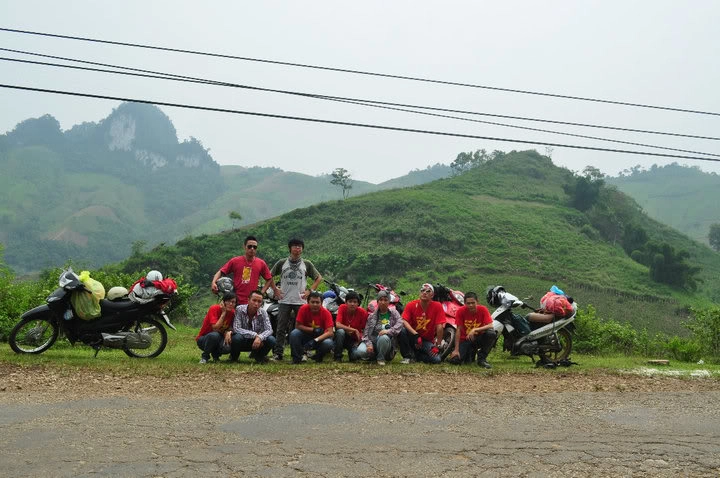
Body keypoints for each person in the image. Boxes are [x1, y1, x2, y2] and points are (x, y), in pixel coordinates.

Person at [263, 238, 322, 361]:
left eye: (300, 246)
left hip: (300, 301)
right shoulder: (282, 263)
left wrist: (309, 291)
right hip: (284, 300)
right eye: (295, 246)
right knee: (280, 328)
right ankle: (278, 354)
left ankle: (302, 353)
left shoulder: (307, 264)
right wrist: (275, 290)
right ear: (290, 248)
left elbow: (318, 278)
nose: (297, 248)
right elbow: (269, 276)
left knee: (302, 328)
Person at [211, 235, 280, 305]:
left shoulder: (261, 263)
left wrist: (261, 293)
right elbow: (221, 271)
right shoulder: (235, 261)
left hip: (251, 303)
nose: (252, 249)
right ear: (244, 247)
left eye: (255, 247)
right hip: (235, 301)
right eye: (249, 246)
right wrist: (213, 282)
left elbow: (269, 278)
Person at [447, 292, 497, 368]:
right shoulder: (460, 311)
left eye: (473, 303)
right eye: (468, 303)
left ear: (477, 302)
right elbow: (458, 330)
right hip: (465, 339)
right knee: (456, 361)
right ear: (464, 303)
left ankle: (482, 359)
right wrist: (456, 350)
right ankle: (470, 352)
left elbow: (490, 325)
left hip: (479, 338)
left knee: (491, 334)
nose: (471, 305)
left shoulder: (483, 309)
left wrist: (475, 330)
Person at [398, 283, 445, 364]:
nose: (424, 293)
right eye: (422, 290)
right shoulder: (411, 305)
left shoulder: (437, 306)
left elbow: (440, 326)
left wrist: (437, 346)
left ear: (432, 295)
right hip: (412, 336)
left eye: (428, 291)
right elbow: (403, 320)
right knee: (402, 331)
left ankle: (416, 356)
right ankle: (407, 356)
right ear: (420, 293)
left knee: (436, 360)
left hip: (426, 341)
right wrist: (416, 335)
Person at [226, 290, 276, 363]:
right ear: (248, 300)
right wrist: (255, 335)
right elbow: (237, 328)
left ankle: (259, 357)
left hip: (257, 342)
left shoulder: (263, 312)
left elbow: (269, 330)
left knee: (271, 339)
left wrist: (260, 337)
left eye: (259, 302)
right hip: (243, 340)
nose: (256, 304)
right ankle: (234, 357)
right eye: (254, 300)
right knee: (237, 338)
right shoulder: (239, 309)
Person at [356, 290, 404, 365]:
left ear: (389, 302)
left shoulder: (394, 313)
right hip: (373, 341)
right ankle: (373, 355)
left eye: (385, 300)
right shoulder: (371, 316)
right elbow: (366, 333)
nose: (383, 302)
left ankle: (381, 358)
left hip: (388, 343)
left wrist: (389, 331)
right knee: (360, 351)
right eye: (381, 300)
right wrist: (369, 344)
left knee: (383, 337)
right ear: (377, 302)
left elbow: (400, 323)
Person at [288, 291, 334, 364]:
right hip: (306, 335)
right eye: (312, 302)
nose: (315, 304)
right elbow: (297, 326)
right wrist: (313, 330)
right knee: (294, 333)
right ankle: (296, 358)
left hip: (320, 338)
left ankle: (318, 357)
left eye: (317, 302)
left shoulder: (326, 313)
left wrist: (315, 340)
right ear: (308, 302)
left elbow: (330, 332)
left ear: (321, 303)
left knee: (328, 343)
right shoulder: (303, 309)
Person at [195, 292, 236, 364]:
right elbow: (215, 328)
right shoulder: (214, 308)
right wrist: (223, 313)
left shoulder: (232, 313)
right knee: (214, 335)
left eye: (233, 302)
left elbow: (231, 327)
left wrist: (229, 332)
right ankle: (205, 357)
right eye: (228, 301)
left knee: (227, 347)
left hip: (219, 338)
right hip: (204, 339)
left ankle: (216, 356)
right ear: (223, 302)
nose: (231, 304)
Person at [333, 290, 368, 362]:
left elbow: (365, 330)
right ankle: (337, 356)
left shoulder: (363, 313)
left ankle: (352, 353)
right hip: (343, 337)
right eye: (350, 301)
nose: (352, 304)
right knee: (340, 331)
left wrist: (359, 341)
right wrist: (353, 330)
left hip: (354, 340)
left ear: (358, 303)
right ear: (346, 302)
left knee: (355, 356)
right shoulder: (342, 308)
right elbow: (338, 324)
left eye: (355, 302)